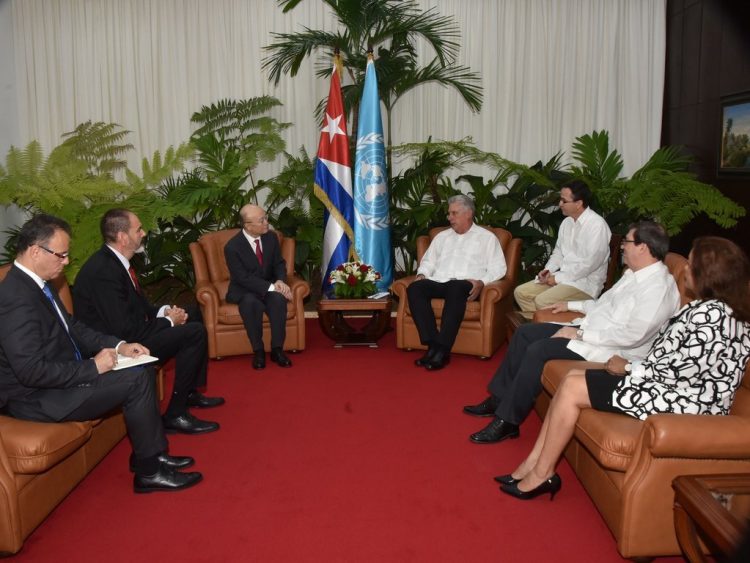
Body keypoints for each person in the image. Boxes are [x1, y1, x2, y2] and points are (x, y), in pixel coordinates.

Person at [498, 236, 750, 500]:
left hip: (683, 402)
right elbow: (678, 364)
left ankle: (541, 472)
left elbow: (680, 371)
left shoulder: (711, 315)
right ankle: (535, 465)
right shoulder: (720, 310)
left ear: (708, 273)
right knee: (573, 378)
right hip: (670, 388)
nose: (685, 268)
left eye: (692, 263)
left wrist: (630, 367)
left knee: (573, 386)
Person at [0, 214, 201, 493]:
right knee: (136, 380)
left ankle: (149, 454)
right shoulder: (14, 299)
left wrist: (119, 346)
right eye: (61, 255)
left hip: (62, 378)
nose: (66, 262)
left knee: (139, 366)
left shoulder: (37, 283)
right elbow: (31, 371)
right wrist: (93, 367)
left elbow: (73, 328)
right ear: (36, 251)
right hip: (38, 399)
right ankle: (149, 472)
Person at [464, 221, 681, 443]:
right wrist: (571, 306)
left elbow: (634, 336)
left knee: (539, 350)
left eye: (626, 241)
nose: (623, 246)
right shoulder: (633, 274)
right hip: (592, 331)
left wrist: (579, 335)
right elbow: (604, 305)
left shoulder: (658, 288)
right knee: (525, 333)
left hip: (613, 349)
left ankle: (508, 421)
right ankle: (499, 399)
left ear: (642, 247)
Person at [73, 209, 222, 435]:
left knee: (194, 314)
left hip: (130, 332)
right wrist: (169, 322)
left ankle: (189, 392)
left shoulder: (119, 262)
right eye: (139, 229)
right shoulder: (104, 271)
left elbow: (140, 309)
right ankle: (175, 415)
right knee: (194, 333)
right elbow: (124, 329)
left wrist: (166, 311)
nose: (144, 233)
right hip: (116, 346)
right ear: (123, 237)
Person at [406, 194, 507, 370]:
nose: (449, 217)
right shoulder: (442, 236)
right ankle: (433, 345)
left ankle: (442, 350)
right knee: (415, 288)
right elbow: (429, 261)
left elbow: (499, 268)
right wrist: (422, 274)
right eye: (449, 213)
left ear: (468, 214)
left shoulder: (487, 238)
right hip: (439, 280)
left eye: (454, 213)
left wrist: (482, 282)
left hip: (465, 283)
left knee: (455, 287)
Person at [514, 180, 611, 318]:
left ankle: (546, 329)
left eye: (564, 201)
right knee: (521, 293)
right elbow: (559, 252)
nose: (559, 204)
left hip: (585, 285)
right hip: (564, 278)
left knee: (542, 301)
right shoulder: (567, 222)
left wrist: (558, 278)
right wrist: (548, 270)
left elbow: (588, 265)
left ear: (578, 203)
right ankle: (540, 328)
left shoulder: (597, 225)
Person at [225, 204, 293, 370]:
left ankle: (277, 349)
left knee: (278, 300)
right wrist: (272, 286)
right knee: (250, 303)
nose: (266, 222)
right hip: (245, 289)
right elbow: (243, 278)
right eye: (261, 220)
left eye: (266, 217)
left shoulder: (271, 237)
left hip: (270, 286)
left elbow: (279, 263)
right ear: (248, 225)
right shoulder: (232, 247)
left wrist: (281, 281)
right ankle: (259, 351)